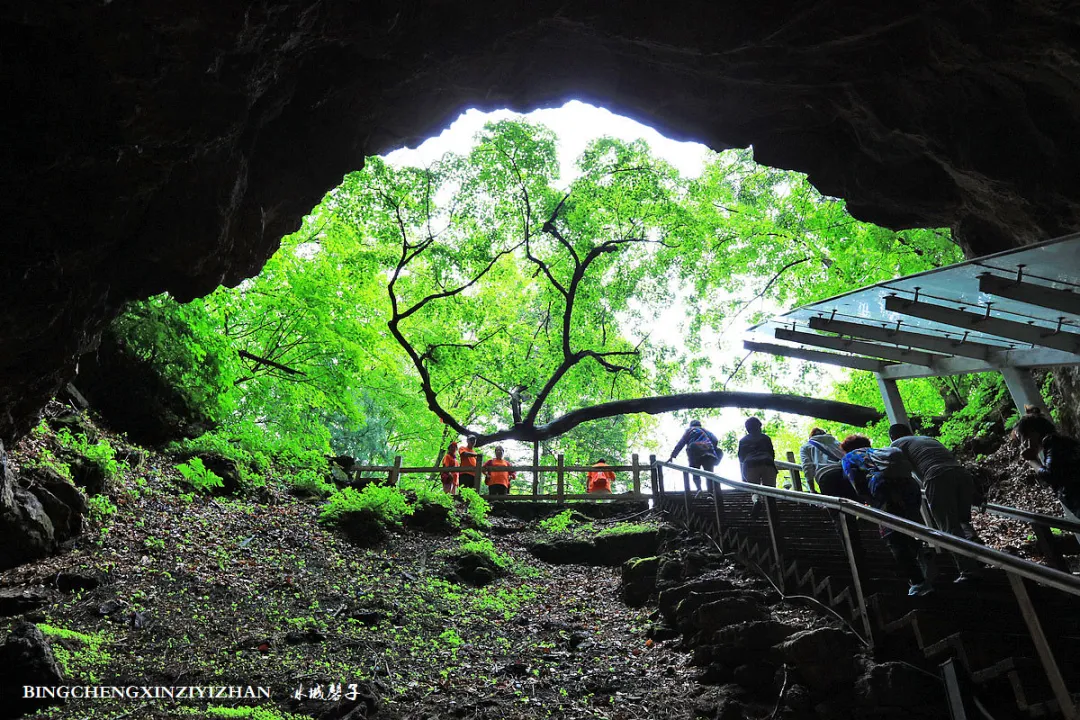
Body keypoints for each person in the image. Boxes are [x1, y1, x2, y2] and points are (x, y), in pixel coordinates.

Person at [840, 434, 933, 597]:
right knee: (911, 526)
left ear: (847, 448)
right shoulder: (878, 452)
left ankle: (918, 582)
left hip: (884, 488)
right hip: (910, 486)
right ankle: (923, 550)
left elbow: (858, 485)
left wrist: (868, 503)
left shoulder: (850, 457)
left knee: (893, 536)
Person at [889, 423, 984, 581]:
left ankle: (968, 569)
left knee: (948, 525)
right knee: (962, 520)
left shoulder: (897, 444)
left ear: (892, 437)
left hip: (936, 475)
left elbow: (898, 471)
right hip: (962, 474)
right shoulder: (928, 439)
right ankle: (977, 551)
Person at [1013, 406, 1080, 543]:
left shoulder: (1053, 443)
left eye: (1024, 438)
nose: (1024, 443)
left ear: (1033, 433)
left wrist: (1033, 461)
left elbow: (1051, 475)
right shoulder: (1059, 441)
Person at [668, 420, 722, 492]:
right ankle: (710, 493)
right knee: (709, 474)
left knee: (695, 471)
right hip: (707, 451)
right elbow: (715, 440)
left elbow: (681, 443)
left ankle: (699, 488)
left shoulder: (689, 430)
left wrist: (672, 456)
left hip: (694, 450)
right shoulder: (705, 431)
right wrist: (712, 447)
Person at [738, 417, 777, 516]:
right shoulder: (765, 438)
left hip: (750, 464)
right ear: (759, 426)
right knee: (770, 490)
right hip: (767, 463)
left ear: (747, 428)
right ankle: (773, 511)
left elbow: (741, 457)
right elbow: (771, 453)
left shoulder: (743, 440)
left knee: (754, 489)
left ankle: (756, 501)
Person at [799, 427, 852, 497]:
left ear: (811, 437)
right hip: (846, 474)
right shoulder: (838, 443)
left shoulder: (805, 447)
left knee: (835, 505)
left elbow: (807, 467)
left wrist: (812, 489)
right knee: (856, 504)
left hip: (826, 476)